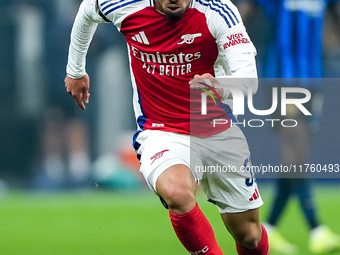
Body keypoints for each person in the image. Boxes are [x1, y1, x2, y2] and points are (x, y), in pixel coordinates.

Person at [64, 0, 270, 254]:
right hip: (160, 130)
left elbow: (248, 80)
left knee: (249, 235)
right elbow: (87, 10)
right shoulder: (123, 4)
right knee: (178, 193)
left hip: (216, 128)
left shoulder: (218, 10)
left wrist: (221, 87)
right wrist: (75, 70)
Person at [235, 0, 340, 254]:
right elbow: (245, 11)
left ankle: (268, 227)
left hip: (313, 79)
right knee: (295, 147)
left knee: (297, 156)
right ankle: (316, 228)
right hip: (282, 79)